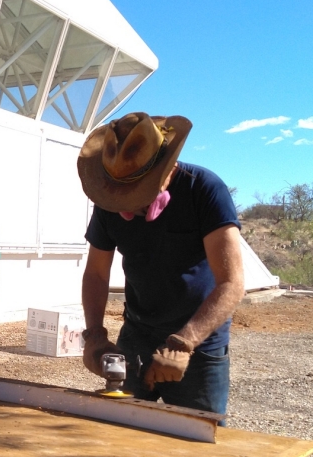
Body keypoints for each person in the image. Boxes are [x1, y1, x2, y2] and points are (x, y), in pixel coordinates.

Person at [77, 112, 245, 418]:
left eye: (141, 192)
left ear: (168, 169)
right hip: (138, 332)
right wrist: (95, 336)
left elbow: (231, 282)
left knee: (194, 441)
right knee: (116, 432)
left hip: (199, 340)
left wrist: (185, 343)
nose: (130, 204)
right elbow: (96, 274)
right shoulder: (111, 198)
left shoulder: (204, 190)